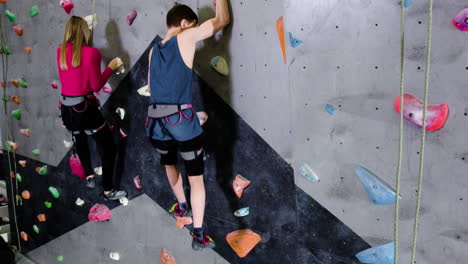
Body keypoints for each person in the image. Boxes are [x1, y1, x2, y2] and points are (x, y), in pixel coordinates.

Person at [145, 1, 230, 250]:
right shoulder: (186, 36)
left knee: (169, 163)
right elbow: (221, 21)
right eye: (190, 26)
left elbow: (151, 87)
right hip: (180, 122)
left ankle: (181, 205)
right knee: (196, 180)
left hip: (155, 122)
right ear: (184, 23)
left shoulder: (154, 50)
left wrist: (195, 114)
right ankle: (199, 234)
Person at [56, 16, 127, 200]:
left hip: (67, 111)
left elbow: (74, 80)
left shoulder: (60, 52)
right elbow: (95, 86)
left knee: (79, 136)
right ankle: (108, 190)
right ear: (85, 31)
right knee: (109, 148)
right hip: (85, 110)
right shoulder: (91, 53)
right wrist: (110, 67)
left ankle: (89, 175)